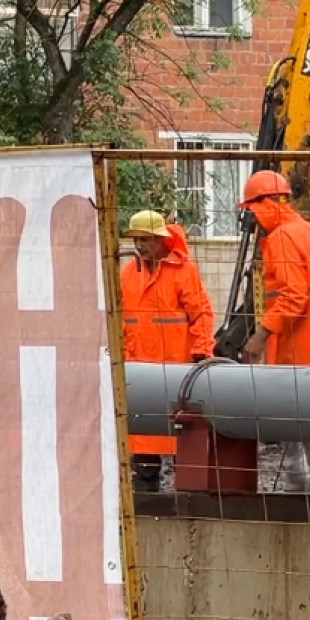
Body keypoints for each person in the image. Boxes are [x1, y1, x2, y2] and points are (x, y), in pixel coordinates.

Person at [239, 170, 310, 494]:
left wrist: (261, 335)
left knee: (296, 419)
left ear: (265, 203)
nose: (253, 221)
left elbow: (293, 297)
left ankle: (306, 490)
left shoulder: (282, 239)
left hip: (296, 347)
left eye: (252, 211)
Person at [120, 209, 215, 492]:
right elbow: (119, 319)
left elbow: (201, 316)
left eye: (145, 239)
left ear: (162, 240)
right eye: (136, 240)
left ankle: (188, 496)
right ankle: (146, 497)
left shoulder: (183, 272)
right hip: (138, 371)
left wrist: (201, 352)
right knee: (143, 443)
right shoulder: (128, 274)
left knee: (181, 438)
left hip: (177, 372)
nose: (139, 246)